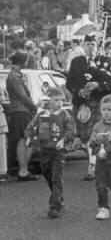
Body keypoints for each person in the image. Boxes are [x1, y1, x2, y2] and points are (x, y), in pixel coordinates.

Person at [66, 40, 111, 181]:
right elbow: (69, 82)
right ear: (83, 46)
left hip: (97, 102)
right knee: (85, 137)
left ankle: (93, 167)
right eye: (88, 44)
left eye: (93, 44)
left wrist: (98, 85)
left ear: (98, 46)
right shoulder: (77, 61)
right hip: (81, 103)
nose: (90, 47)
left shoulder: (105, 61)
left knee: (94, 135)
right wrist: (79, 91)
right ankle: (95, 163)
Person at [24, 87, 75, 218]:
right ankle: (59, 198)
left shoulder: (65, 115)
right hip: (44, 151)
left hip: (58, 152)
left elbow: (70, 130)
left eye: (61, 100)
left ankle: (55, 206)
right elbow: (31, 127)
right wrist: (29, 136)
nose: (59, 103)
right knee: (47, 174)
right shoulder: (41, 114)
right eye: (56, 100)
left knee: (56, 177)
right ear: (49, 99)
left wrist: (64, 140)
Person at [6, 51, 38, 180]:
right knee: (24, 140)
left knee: (25, 140)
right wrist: (34, 107)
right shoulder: (14, 76)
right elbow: (22, 96)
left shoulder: (16, 75)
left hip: (21, 111)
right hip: (21, 111)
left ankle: (22, 169)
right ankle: (23, 171)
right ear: (23, 61)